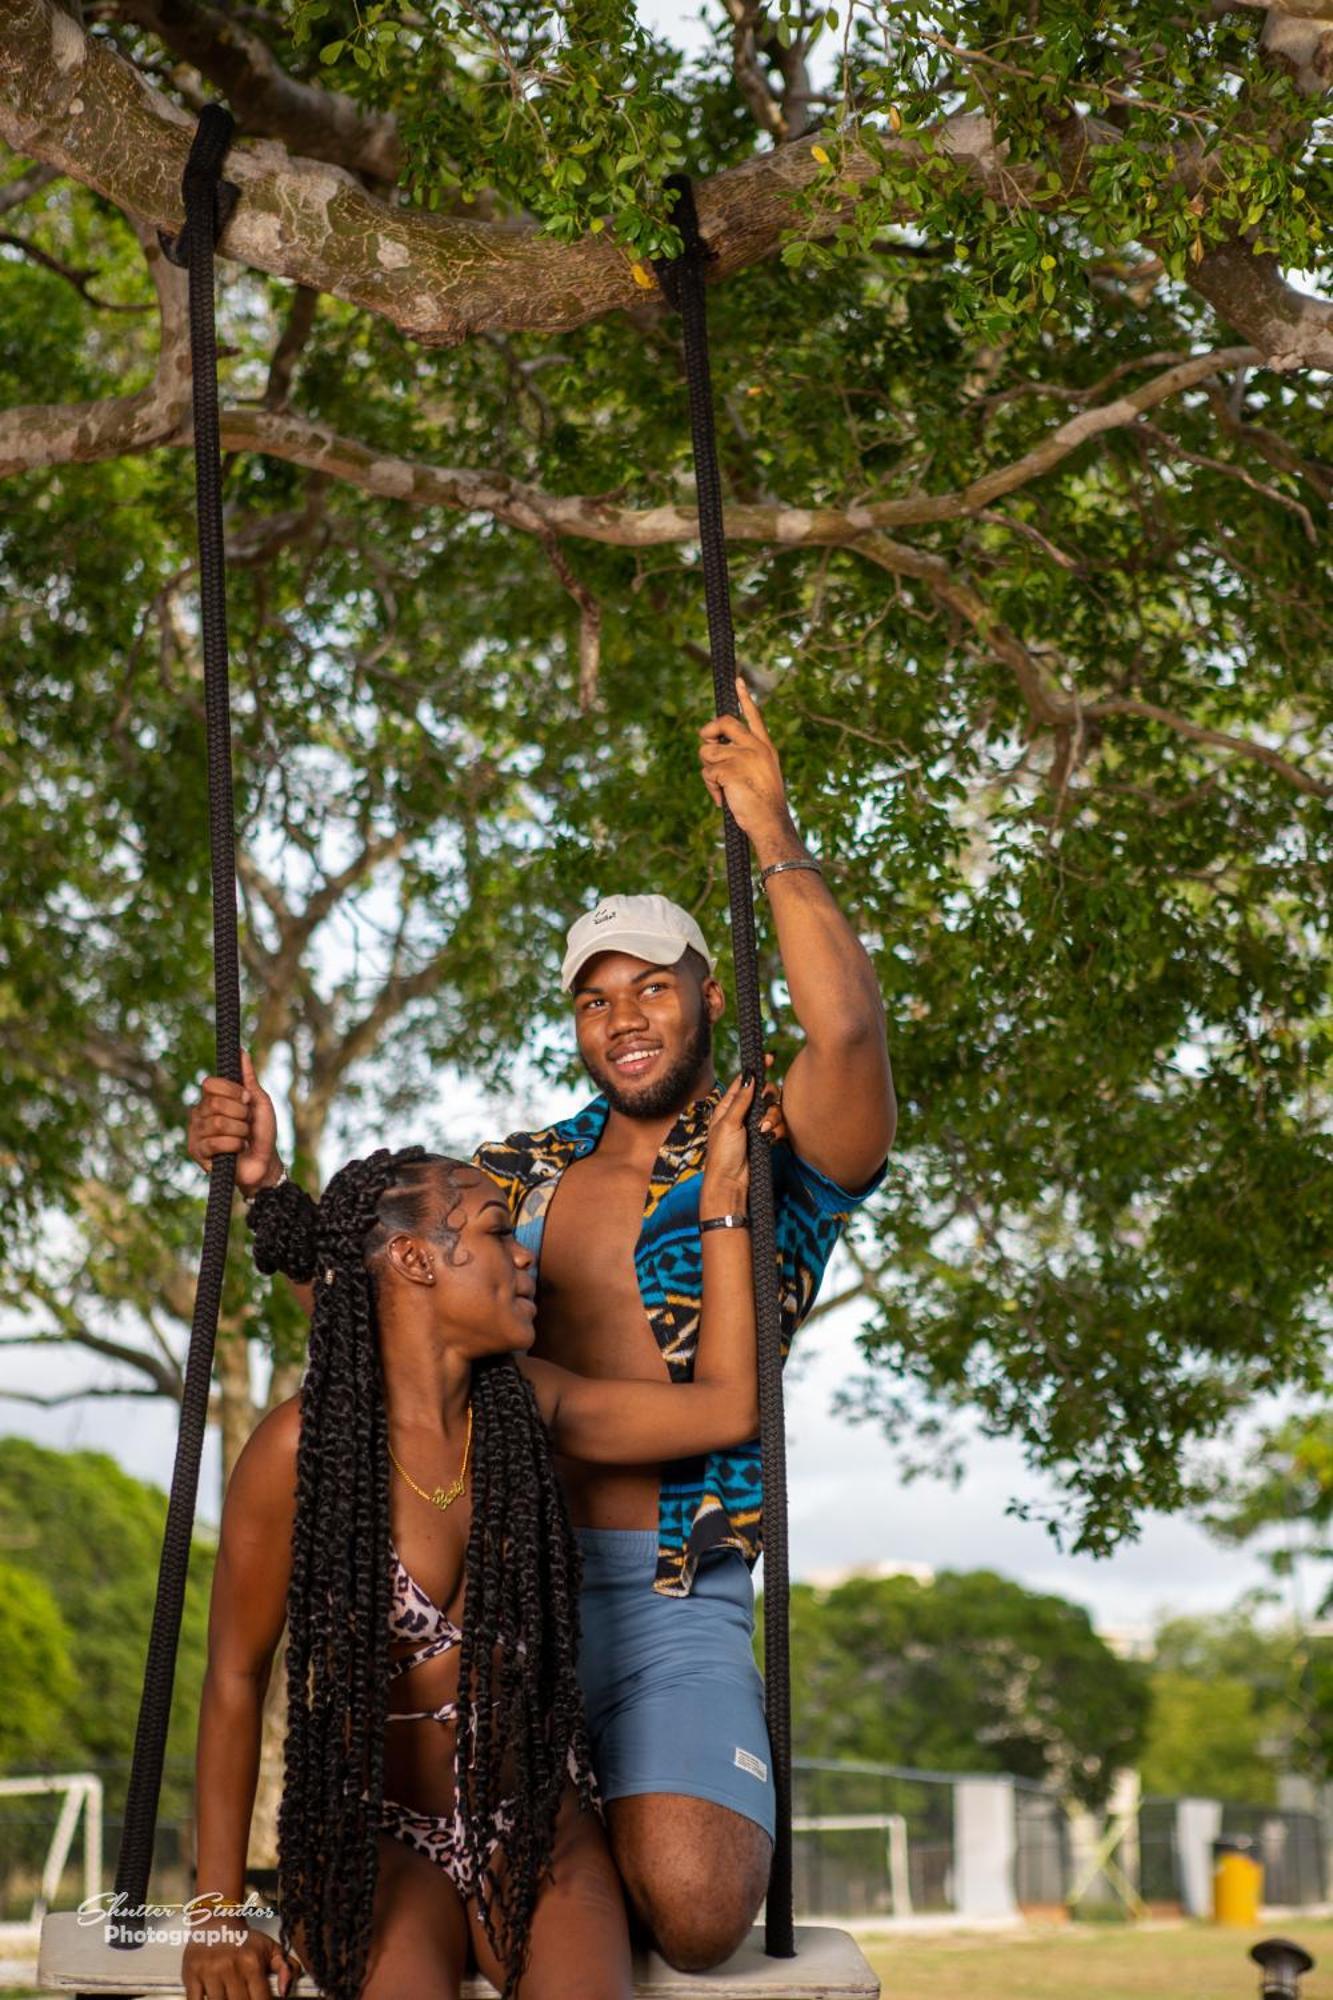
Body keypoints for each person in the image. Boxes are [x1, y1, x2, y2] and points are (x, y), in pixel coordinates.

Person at [188, 681, 895, 1971]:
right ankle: (499, 1862)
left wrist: (771, 827)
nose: (623, 1017)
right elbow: (389, 1313)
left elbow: (845, 1027)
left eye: (653, 988)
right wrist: (265, 1192)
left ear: (709, 998)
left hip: (673, 1588)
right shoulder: (514, 1173)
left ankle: (561, 1851)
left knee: (692, 1907)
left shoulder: (765, 1143)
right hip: (515, 1587)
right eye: (593, 998)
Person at [182, 1074, 764, 2000]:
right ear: (415, 1261)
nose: (524, 1257)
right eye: (499, 1233)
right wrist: (215, 1911)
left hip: (532, 1822)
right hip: (377, 1829)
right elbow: (234, 1677)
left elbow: (730, 1405)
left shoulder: (527, 1409)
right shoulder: (305, 1449)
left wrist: (725, 1209)